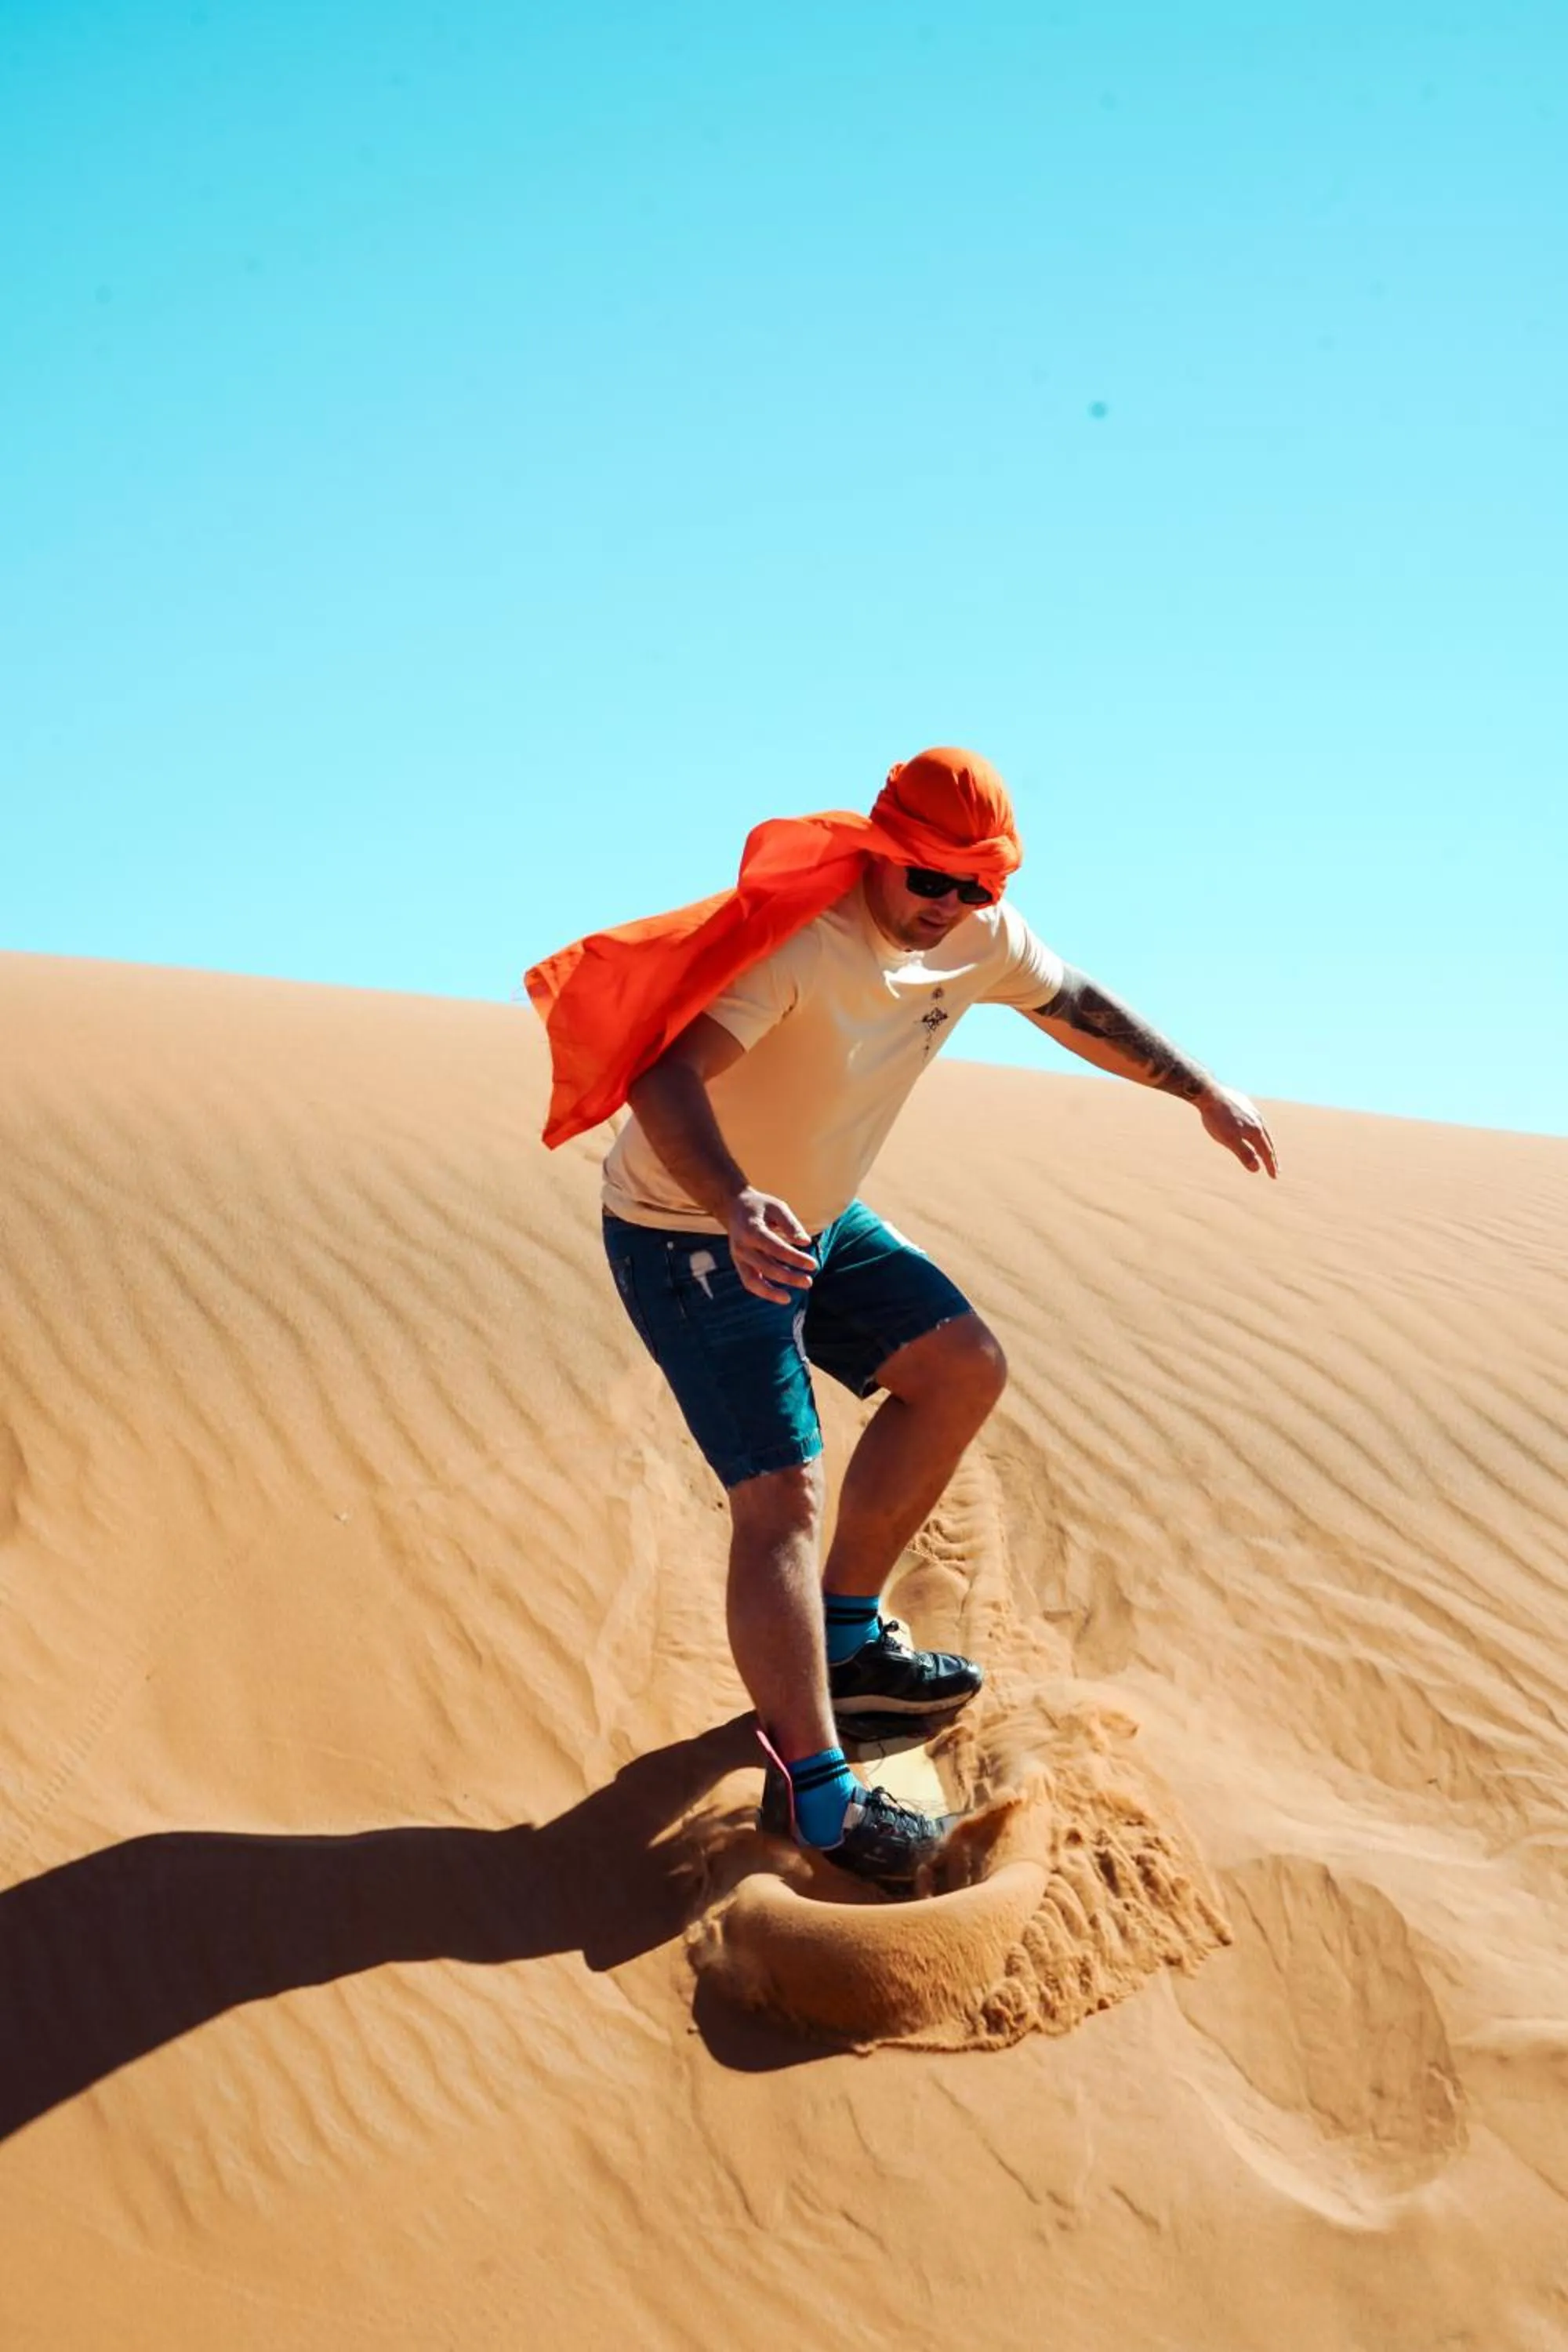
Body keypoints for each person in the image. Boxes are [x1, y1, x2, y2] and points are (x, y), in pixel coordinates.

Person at [526, 749, 1277, 1898]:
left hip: (815, 1216)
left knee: (961, 1368)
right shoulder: (806, 948)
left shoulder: (976, 934)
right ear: (882, 851)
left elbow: (1072, 1002)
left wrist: (1202, 1090)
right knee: (778, 1496)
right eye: (931, 879)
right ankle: (813, 1786)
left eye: (977, 887)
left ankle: (843, 1634)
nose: (951, 907)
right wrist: (732, 1204)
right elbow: (664, 1078)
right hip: (692, 1231)